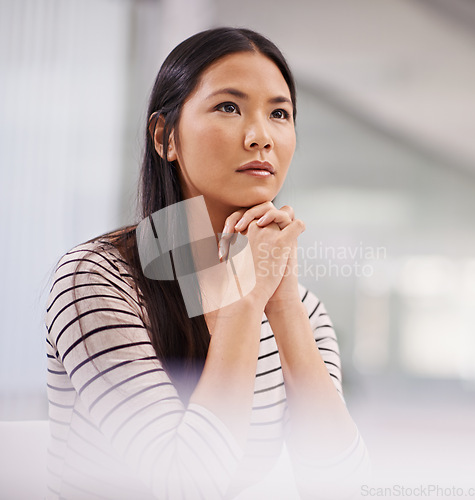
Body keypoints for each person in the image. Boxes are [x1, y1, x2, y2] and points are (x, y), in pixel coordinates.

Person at [45, 27, 368, 499]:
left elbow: (342, 487)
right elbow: (183, 483)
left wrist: (281, 307)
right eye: (229, 107)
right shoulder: (95, 279)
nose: (261, 137)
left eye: (279, 113)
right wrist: (244, 298)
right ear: (164, 136)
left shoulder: (302, 309)